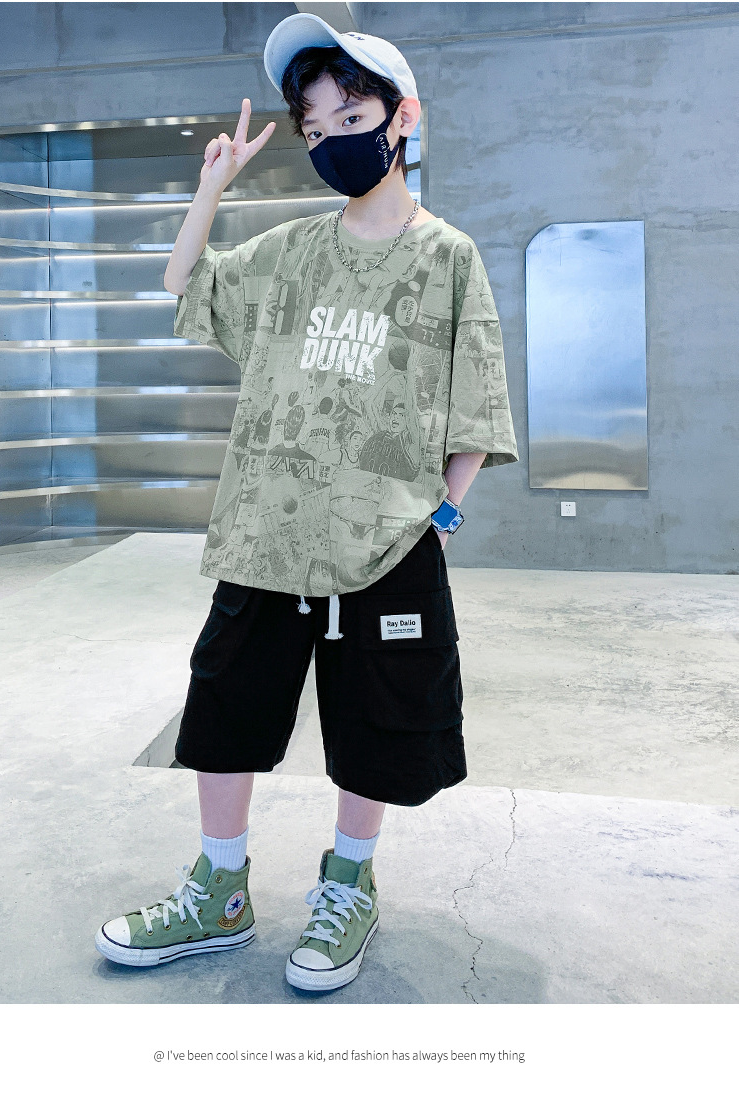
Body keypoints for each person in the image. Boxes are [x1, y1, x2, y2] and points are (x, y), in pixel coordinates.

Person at [94, 12, 518, 993]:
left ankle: (348, 886)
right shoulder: (289, 252)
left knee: (377, 723)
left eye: (352, 118)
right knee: (225, 710)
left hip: (386, 542)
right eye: (316, 128)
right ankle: (219, 890)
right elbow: (186, 281)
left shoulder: (447, 257)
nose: (331, 141)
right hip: (265, 531)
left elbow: (476, 405)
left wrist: (438, 519)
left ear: (404, 117)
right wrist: (213, 183)